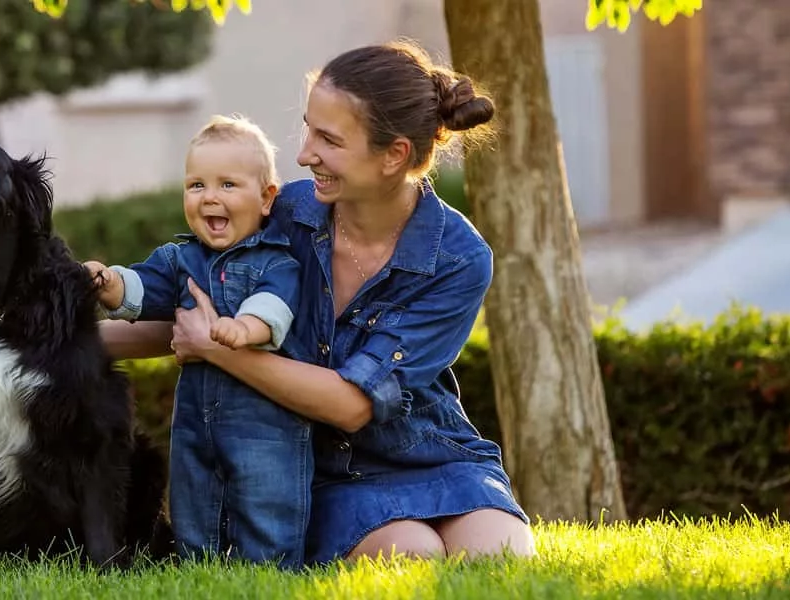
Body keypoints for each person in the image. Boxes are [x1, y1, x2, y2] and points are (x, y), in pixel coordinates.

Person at [96, 41, 537, 564]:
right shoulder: (283, 214)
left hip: (433, 454)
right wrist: (45, 342)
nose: (305, 154)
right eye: (308, 129)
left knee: (500, 556)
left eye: (328, 139)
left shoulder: (458, 257)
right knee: (412, 555)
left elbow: (353, 404)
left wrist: (219, 351)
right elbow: (193, 313)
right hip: (316, 467)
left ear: (394, 155)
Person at [85, 114, 311, 569]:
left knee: (267, 500)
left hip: (266, 426)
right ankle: (198, 566)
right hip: (194, 422)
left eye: (228, 185)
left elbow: (276, 307)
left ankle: (269, 569)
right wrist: (109, 283)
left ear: (267, 198)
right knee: (193, 495)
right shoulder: (180, 258)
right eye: (196, 186)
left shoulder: (275, 261)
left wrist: (245, 328)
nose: (210, 197)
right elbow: (143, 288)